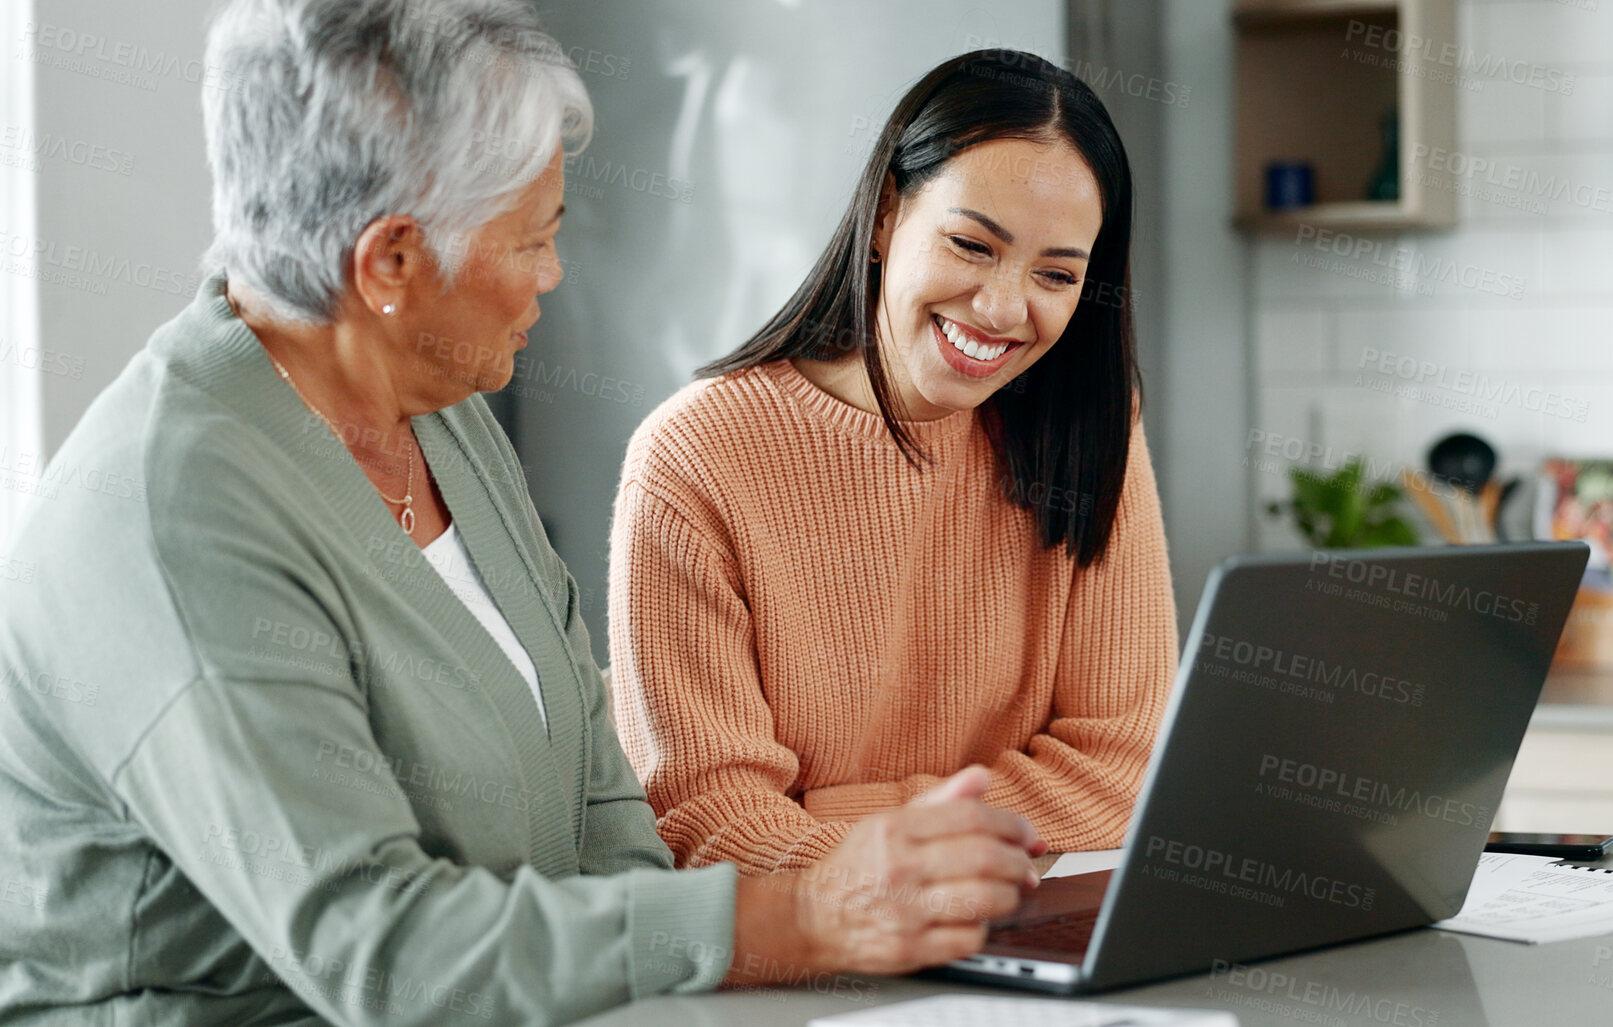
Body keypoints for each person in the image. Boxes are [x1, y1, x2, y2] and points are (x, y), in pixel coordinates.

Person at [0, 4, 1042, 1024]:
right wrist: (802, 915)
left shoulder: (432, 405)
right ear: (391, 265)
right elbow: (388, 957)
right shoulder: (172, 511)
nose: (553, 273)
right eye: (531, 237)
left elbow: (598, 801)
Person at [608, 49, 1176, 873]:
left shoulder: (1089, 430)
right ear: (883, 216)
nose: (1002, 308)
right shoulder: (697, 455)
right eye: (971, 245)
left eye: (1056, 273)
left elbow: (1122, 773)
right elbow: (711, 825)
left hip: (1008, 935)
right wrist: (943, 850)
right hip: (794, 959)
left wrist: (835, 819)